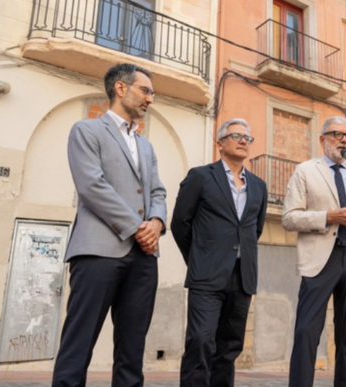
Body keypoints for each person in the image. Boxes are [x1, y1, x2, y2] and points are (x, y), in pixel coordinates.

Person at [51, 63, 167, 387]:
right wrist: (138, 227)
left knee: (132, 351)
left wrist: (156, 222)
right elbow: (92, 186)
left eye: (152, 93)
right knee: (78, 344)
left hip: (144, 258)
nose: (150, 99)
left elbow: (158, 190)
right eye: (145, 90)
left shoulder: (146, 145)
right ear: (120, 88)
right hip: (97, 251)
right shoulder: (86, 131)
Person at [282, 116, 346, 387]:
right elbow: (289, 217)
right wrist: (329, 216)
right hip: (320, 258)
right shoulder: (306, 170)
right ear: (322, 139)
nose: (344, 140)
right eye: (337, 134)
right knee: (306, 331)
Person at [171, 118, 268, 387]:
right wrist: (199, 257)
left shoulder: (258, 186)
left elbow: (253, 230)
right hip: (207, 275)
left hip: (242, 277)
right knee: (201, 340)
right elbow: (180, 223)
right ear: (220, 143)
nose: (243, 141)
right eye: (236, 135)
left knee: (229, 347)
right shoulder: (201, 176)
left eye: (247, 138)